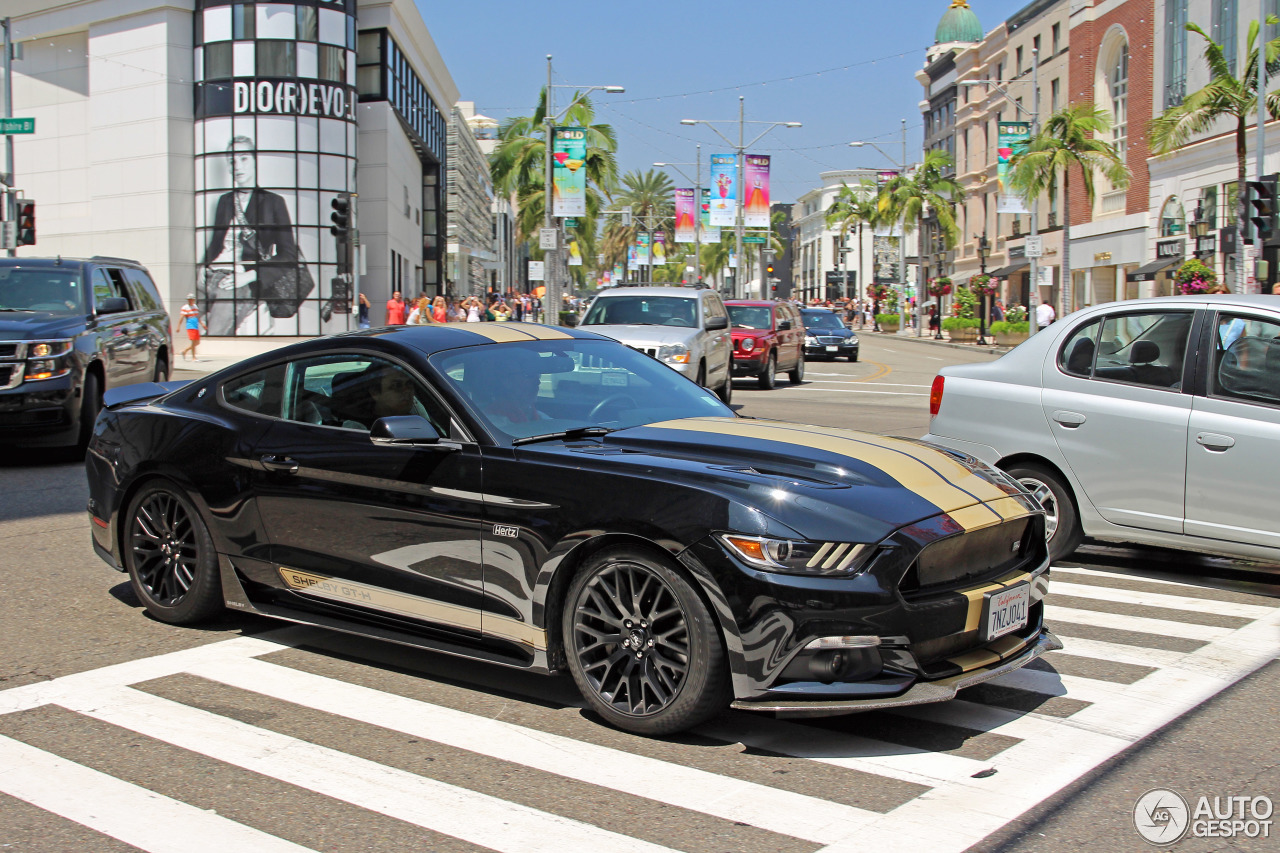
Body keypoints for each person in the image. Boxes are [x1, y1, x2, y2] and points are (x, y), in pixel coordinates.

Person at [200, 135, 305, 335]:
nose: (237, 166)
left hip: (240, 279)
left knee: (215, 333)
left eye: (244, 158)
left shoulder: (273, 202)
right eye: (232, 161)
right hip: (212, 275)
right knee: (187, 321)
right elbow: (216, 244)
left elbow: (288, 255)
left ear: (255, 160)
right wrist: (202, 266)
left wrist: (249, 276)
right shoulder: (225, 201)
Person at [179, 294, 206, 362]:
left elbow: (197, 316)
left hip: (196, 326)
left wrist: (202, 324)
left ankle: (184, 351)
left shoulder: (195, 306)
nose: (190, 300)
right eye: (189, 299)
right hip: (190, 326)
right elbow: (181, 317)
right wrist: (178, 326)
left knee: (197, 342)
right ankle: (193, 358)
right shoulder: (185, 307)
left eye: (191, 299)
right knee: (193, 342)